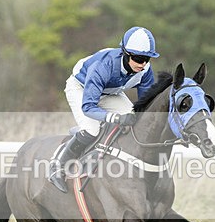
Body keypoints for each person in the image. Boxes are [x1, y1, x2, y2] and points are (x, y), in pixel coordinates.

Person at [48, 26, 159, 193]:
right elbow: (88, 107)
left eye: (147, 59)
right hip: (81, 87)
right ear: (125, 53)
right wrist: (115, 118)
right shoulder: (104, 66)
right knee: (92, 129)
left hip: (111, 92)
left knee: (134, 121)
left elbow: (145, 105)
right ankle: (58, 165)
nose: (142, 64)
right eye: (138, 58)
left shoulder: (145, 71)